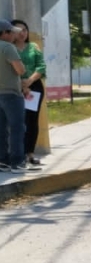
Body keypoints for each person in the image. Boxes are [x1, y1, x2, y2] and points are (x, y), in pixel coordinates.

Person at [11, 20, 47, 167]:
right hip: (14, 87)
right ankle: (17, 155)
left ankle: (30, 154)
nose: (22, 33)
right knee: (18, 122)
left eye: (24, 30)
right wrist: (22, 83)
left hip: (35, 87)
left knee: (32, 121)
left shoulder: (33, 47)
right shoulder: (9, 48)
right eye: (18, 30)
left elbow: (41, 66)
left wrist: (29, 81)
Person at [0, 19, 30, 173]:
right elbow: (20, 70)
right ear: (4, 33)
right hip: (11, 94)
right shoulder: (8, 47)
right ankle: (17, 162)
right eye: (11, 32)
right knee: (17, 128)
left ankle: (2, 161)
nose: (14, 35)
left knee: (1, 129)